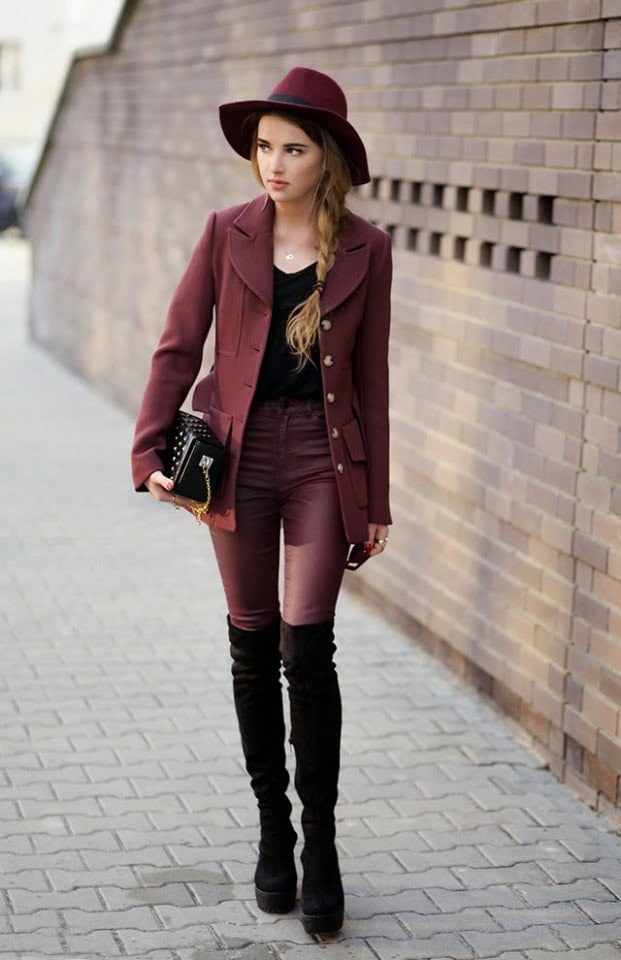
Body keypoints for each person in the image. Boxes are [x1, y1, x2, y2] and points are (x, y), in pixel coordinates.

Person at [131, 66, 392, 935]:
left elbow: (370, 380)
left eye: (292, 148)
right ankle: (272, 833)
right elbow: (177, 349)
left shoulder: (366, 248)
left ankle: (321, 844)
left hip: (323, 462)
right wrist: (147, 453)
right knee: (250, 644)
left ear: (328, 159)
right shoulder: (224, 233)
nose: (272, 163)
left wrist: (376, 499)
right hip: (236, 462)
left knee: (306, 648)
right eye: (264, 147)